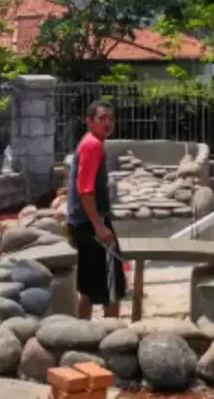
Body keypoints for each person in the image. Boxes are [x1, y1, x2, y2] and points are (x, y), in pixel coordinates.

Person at [66, 100, 126, 319]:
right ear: (89, 122)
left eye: (111, 118)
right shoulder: (92, 145)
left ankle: (84, 331)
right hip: (92, 224)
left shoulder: (88, 142)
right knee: (112, 285)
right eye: (102, 118)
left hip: (82, 223)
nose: (108, 123)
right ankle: (114, 334)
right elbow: (86, 190)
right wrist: (99, 227)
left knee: (88, 287)